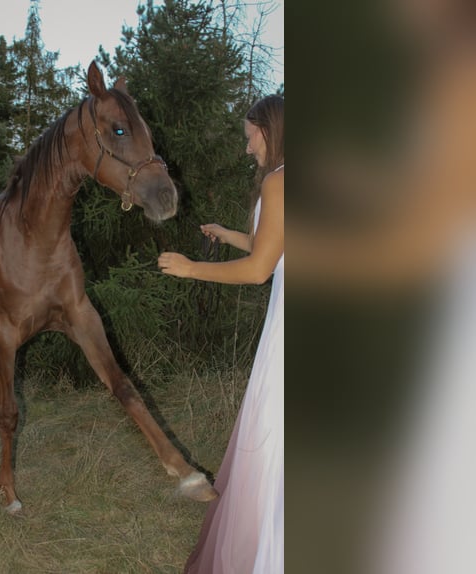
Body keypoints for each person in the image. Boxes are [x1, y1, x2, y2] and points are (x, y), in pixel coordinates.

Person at [158, 94, 284, 574]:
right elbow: (268, 244)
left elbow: (259, 271)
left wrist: (192, 269)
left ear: (267, 130)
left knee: (274, 435)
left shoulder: (278, 181)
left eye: (248, 135)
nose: (246, 146)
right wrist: (226, 233)